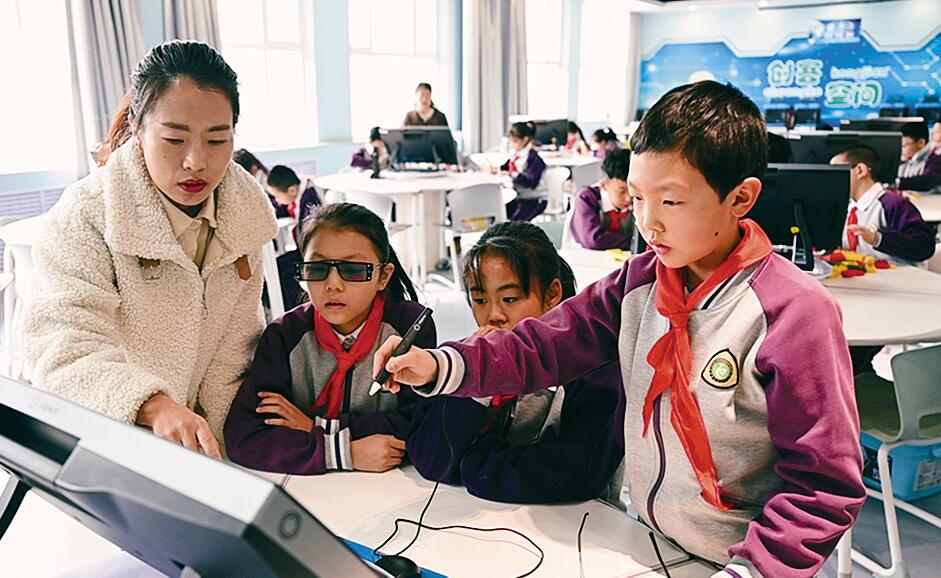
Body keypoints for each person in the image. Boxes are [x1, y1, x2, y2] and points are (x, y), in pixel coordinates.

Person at [374, 81, 865, 578]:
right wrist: (439, 364)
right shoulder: (639, 283)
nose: (648, 223)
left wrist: (752, 570)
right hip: (650, 541)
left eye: (671, 202)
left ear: (741, 198)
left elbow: (822, 485)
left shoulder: (793, 311)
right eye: (637, 198)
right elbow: (541, 345)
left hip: (746, 563)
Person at [22, 40, 278, 457]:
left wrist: (236, 450)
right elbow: (63, 350)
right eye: (174, 139)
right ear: (138, 130)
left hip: (192, 453)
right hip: (101, 444)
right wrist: (152, 406)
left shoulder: (244, 218)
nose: (196, 162)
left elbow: (233, 358)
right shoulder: (88, 215)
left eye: (217, 141)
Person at [407, 221, 624, 503]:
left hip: (576, 522)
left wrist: (470, 464)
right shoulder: (462, 362)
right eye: (479, 300)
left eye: (510, 299)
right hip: (482, 518)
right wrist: (477, 387)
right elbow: (431, 457)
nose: (493, 315)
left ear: (552, 294)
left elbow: (571, 474)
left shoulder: (593, 368)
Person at [224, 203, 434, 474]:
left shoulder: (409, 327)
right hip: (307, 488)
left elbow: (421, 422)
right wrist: (343, 452)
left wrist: (315, 426)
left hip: (392, 486)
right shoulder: (284, 336)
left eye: (354, 269)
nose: (333, 284)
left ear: (383, 276)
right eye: (317, 269)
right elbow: (244, 437)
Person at [831, 145, 935, 266]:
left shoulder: (892, 204)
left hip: (900, 275)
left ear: (860, 170)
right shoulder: (848, 209)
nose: (831, 179)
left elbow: (924, 246)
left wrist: (878, 239)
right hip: (865, 275)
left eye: (836, 172)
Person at [570, 149, 633, 250]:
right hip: (584, 256)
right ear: (603, 185)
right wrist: (633, 243)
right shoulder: (586, 198)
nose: (629, 198)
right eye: (621, 191)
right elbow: (594, 241)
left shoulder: (639, 199)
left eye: (632, 190)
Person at [500, 121, 547, 222]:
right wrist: (496, 169)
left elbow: (532, 182)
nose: (512, 145)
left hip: (534, 199)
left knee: (515, 224)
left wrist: (512, 175)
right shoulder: (515, 156)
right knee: (500, 213)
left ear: (525, 140)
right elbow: (505, 167)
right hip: (519, 197)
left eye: (515, 141)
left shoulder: (534, 158)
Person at [897, 121, 941, 192]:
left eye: (904, 146)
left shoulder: (936, 160)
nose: (901, 150)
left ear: (921, 142)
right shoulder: (907, 160)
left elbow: (926, 180)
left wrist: (897, 182)